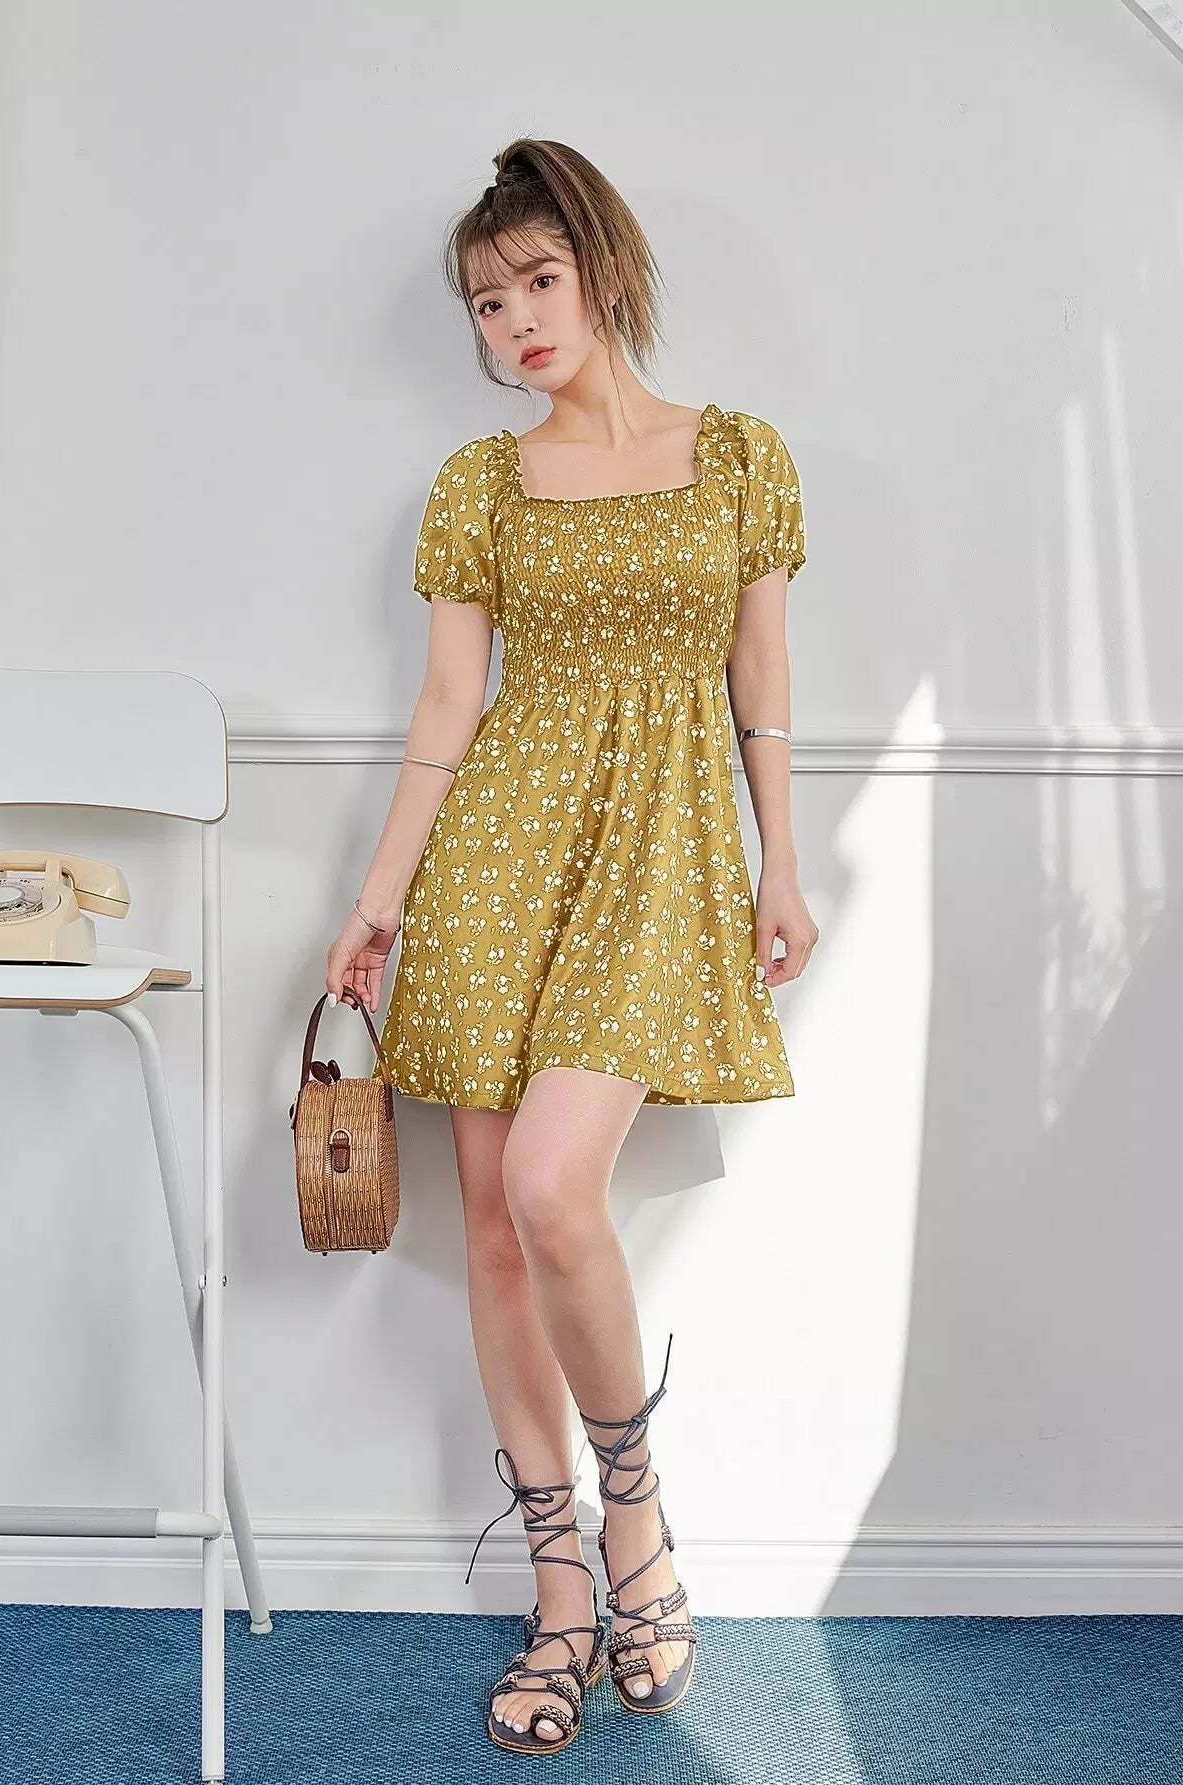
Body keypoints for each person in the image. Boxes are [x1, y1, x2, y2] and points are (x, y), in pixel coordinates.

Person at [323, 136, 819, 1755]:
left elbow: (761, 681)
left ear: (602, 272)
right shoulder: (481, 481)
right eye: (487, 302)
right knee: (492, 1225)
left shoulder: (735, 456)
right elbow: (446, 702)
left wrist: (783, 860)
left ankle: (635, 1516)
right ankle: (558, 1585)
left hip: (661, 859)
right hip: (495, 861)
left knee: (553, 1187)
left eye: (538, 281)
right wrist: (379, 896)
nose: (517, 320)